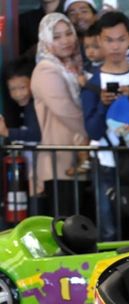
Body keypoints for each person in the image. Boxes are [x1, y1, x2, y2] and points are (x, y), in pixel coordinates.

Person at [81, 11, 129, 240]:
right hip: (106, 164)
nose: (115, 46)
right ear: (99, 41)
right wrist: (104, 106)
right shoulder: (93, 83)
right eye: (109, 40)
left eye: (120, 39)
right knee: (109, 230)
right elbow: (92, 130)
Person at [30, 13, 87, 195]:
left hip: (77, 156)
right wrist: (91, 132)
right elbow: (65, 110)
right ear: (45, 40)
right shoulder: (46, 68)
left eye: (68, 33)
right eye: (56, 37)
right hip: (60, 159)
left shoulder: (73, 67)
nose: (65, 40)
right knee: (64, 219)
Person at [0, 58, 41, 144]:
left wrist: (7, 132)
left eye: (22, 87)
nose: (18, 94)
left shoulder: (33, 107)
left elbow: (36, 134)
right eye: (13, 89)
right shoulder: (21, 108)